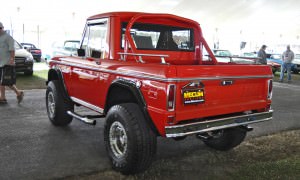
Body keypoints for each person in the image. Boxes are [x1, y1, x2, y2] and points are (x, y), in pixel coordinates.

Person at [0, 22, 24, 104]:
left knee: (7, 82)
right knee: (2, 81)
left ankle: (18, 93)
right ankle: (3, 98)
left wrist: (12, 59)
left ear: (2, 28)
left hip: (7, 63)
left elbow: (12, 50)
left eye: (0, 28)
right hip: (0, 63)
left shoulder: (8, 38)